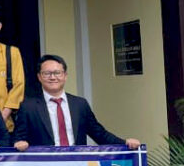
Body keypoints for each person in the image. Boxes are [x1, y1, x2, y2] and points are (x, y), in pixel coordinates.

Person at [13, 55, 142, 151]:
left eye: (57, 73)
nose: (52, 77)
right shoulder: (28, 106)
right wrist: (19, 143)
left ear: (65, 76)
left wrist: (124, 143)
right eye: (47, 73)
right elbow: (19, 137)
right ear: (39, 77)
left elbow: (99, 133)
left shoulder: (79, 104)